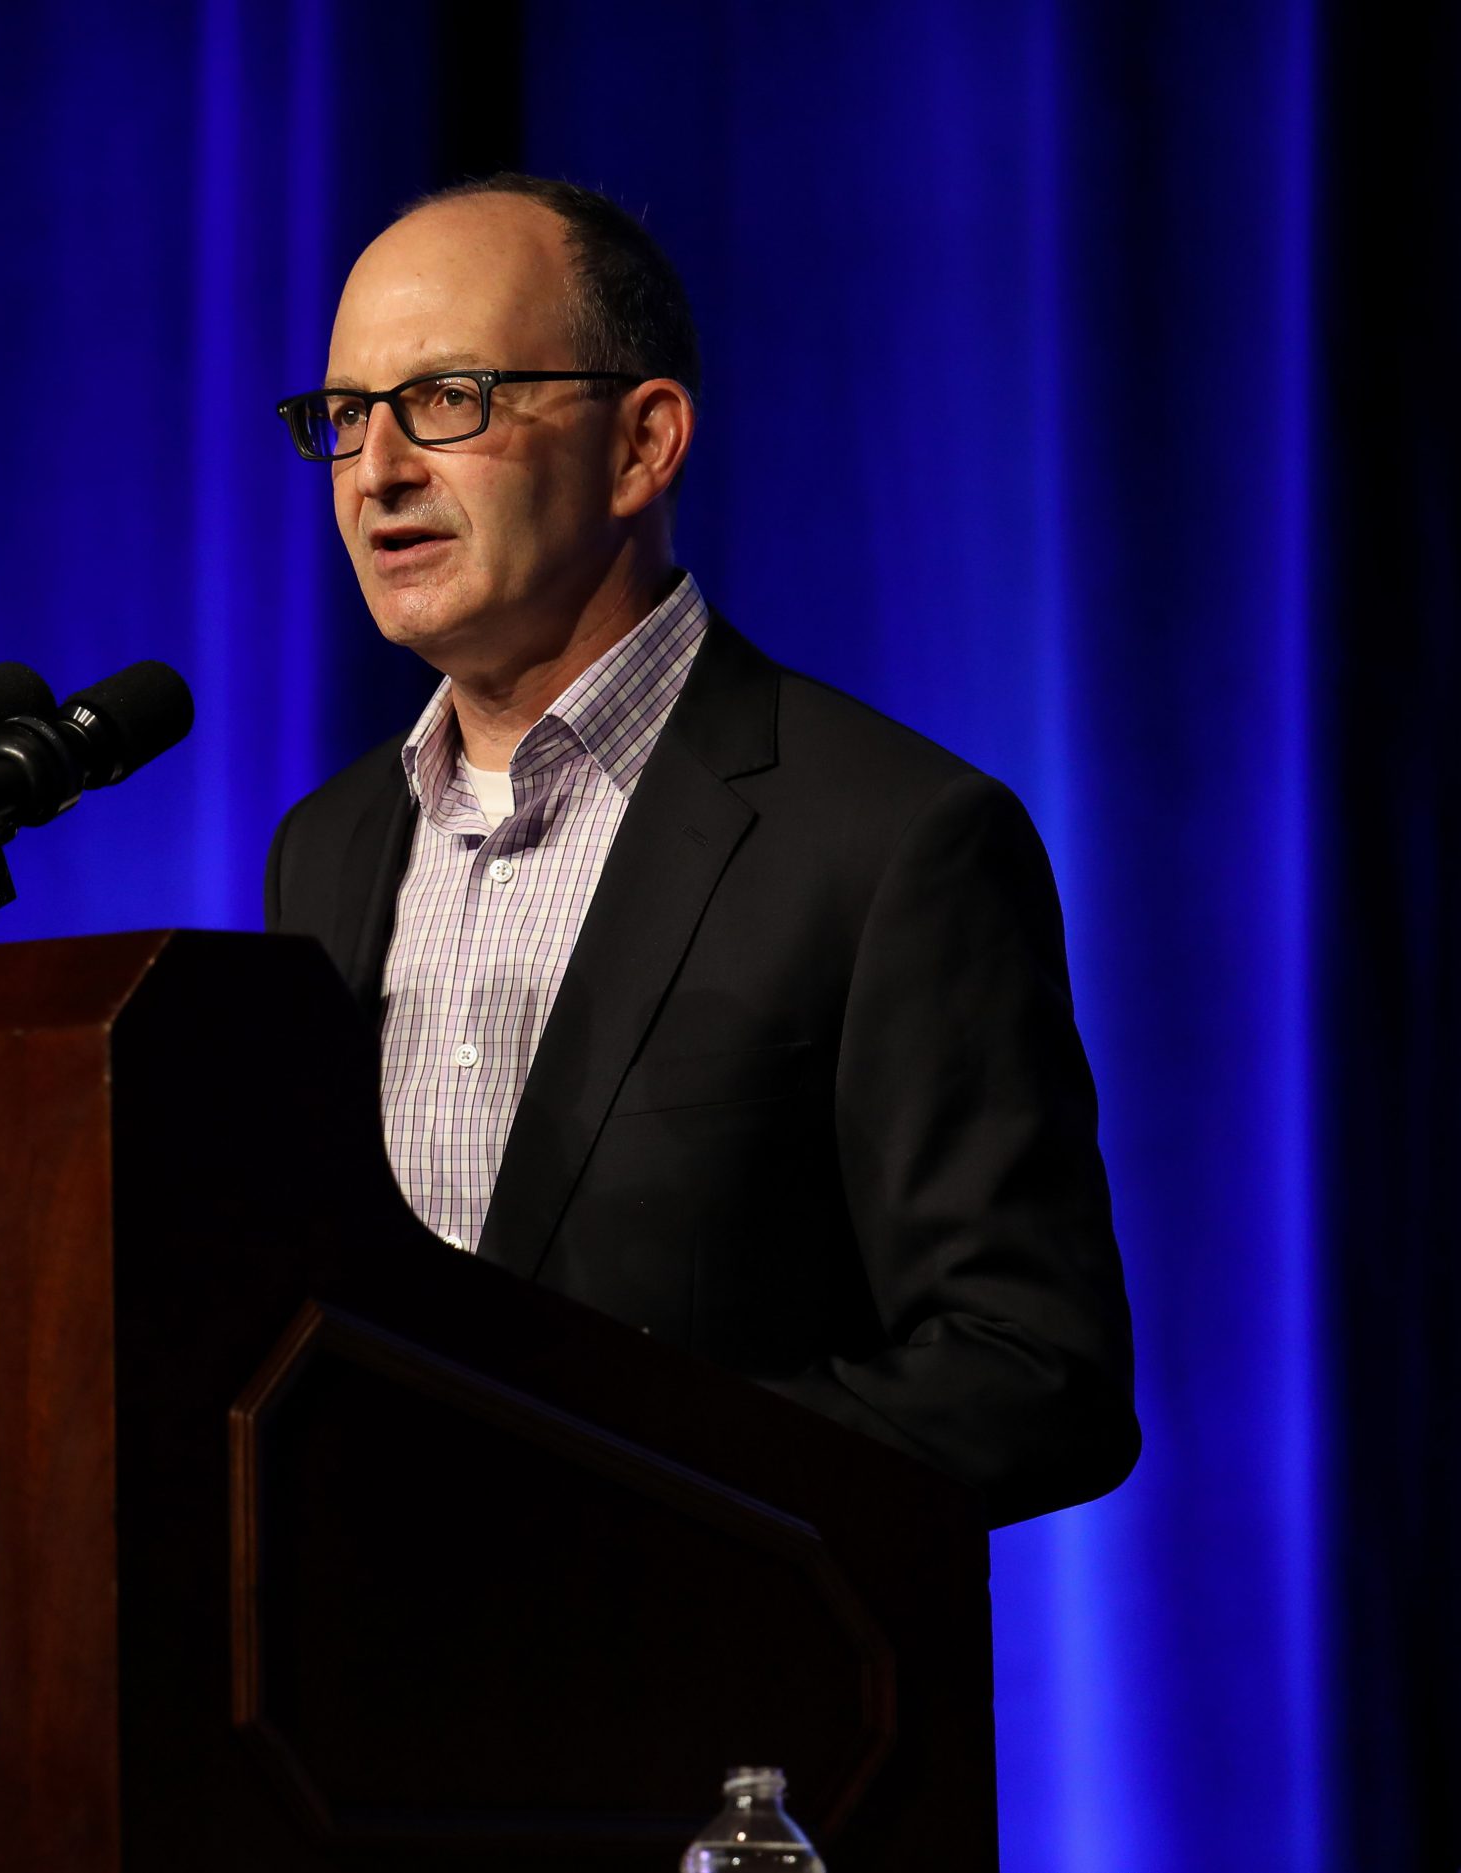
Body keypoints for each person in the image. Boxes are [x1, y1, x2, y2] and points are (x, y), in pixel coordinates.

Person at [264, 175, 1138, 1526]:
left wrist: (614, 1479)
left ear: (642, 443)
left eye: (449, 401)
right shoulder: (323, 851)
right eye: (344, 417)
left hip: (715, 1708)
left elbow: (1033, 1372)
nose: (377, 470)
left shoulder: (891, 843)